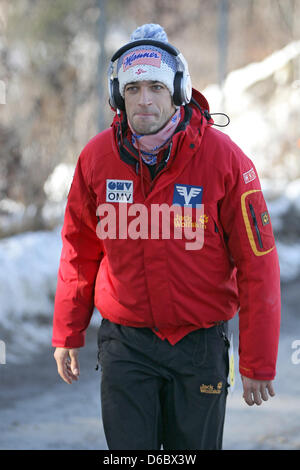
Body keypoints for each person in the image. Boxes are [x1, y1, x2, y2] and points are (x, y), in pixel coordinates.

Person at [52, 24, 281, 450]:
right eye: (133, 87)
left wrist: (257, 359)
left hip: (199, 346)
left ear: (178, 90)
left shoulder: (225, 160)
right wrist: (67, 332)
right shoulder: (97, 158)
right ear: (118, 94)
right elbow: (78, 250)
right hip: (125, 345)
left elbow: (258, 263)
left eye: (156, 86)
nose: (144, 99)